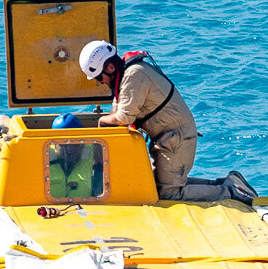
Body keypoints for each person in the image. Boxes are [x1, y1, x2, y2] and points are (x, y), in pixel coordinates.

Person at [82, 40, 198, 199]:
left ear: (110, 68)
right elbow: (117, 110)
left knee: (170, 193)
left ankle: (231, 191)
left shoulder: (134, 75)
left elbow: (124, 117)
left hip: (176, 137)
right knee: (158, 186)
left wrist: (102, 122)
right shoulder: (123, 79)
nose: (100, 82)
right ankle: (229, 184)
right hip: (167, 138)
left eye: (99, 77)